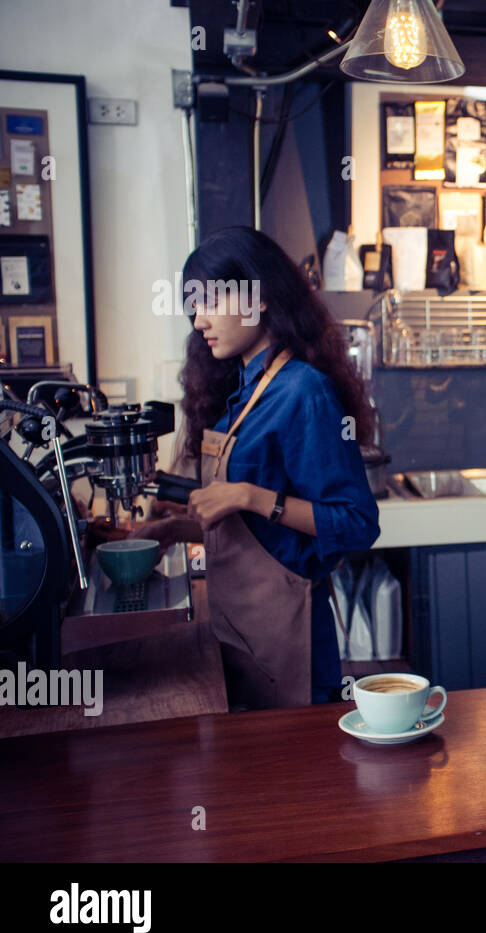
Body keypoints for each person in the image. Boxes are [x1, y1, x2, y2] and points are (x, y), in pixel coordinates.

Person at [133, 227, 380, 708]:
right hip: (241, 636)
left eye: (210, 302)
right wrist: (178, 528)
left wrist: (248, 495)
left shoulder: (302, 391)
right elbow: (259, 536)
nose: (199, 321)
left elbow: (357, 523)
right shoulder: (243, 390)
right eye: (193, 306)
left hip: (288, 645)